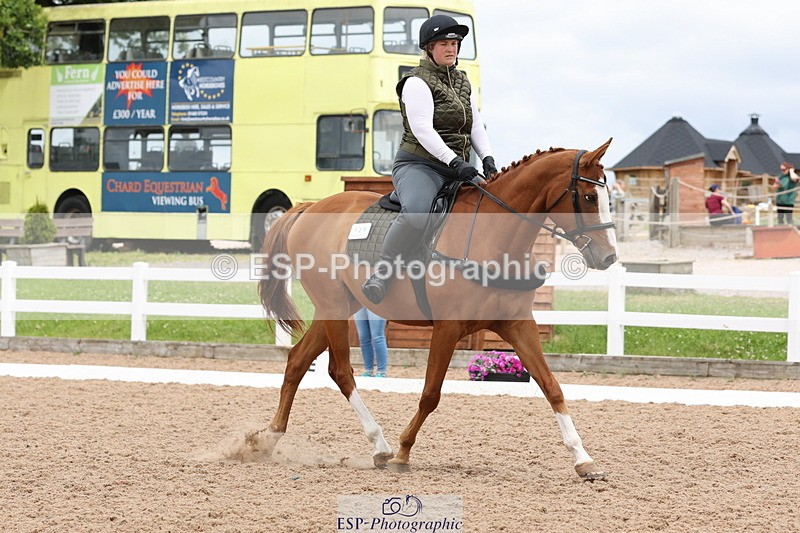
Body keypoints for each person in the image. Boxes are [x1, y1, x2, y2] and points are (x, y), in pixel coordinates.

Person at [361, 14, 495, 304]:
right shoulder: (415, 82)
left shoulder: (462, 81)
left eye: (455, 43)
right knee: (418, 213)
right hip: (420, 165)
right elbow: (422, 129)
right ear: (429, 48)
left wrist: (487, 158)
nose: (451, 49)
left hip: (456, 167)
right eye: (444, 43)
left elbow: (474, 124)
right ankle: (382, 272)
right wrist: (455, 162)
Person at [354, 307, 388, 377]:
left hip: (375, 303)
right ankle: (368, 370)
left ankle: (381, 372)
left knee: (377, 337)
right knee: (363, 337)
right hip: (359, 303)